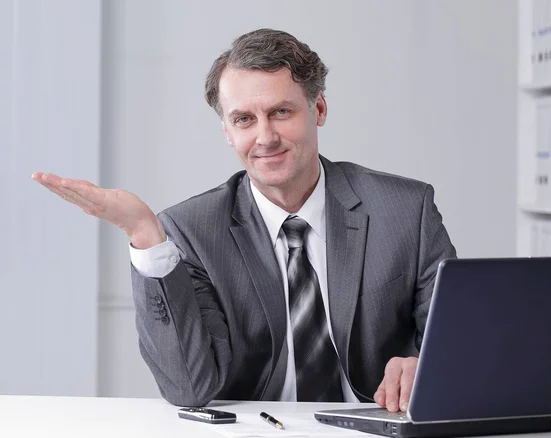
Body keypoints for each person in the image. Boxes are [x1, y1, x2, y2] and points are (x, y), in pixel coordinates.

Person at [32, 28, 456, 412]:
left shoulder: (404, 210)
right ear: (227, 132)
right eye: (244, 120)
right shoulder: (193, 230)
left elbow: (458, 341)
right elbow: (188, 388)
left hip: (376, 422)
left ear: (319, 108)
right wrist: (145, 236)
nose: (265, 137)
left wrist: (427, 364)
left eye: (282, 113)